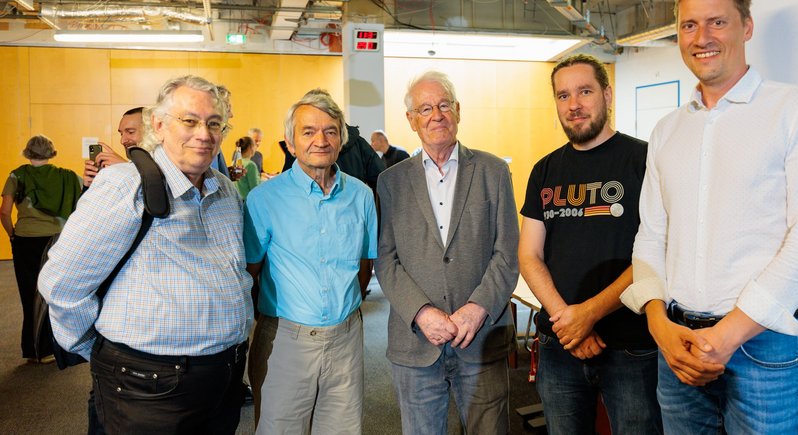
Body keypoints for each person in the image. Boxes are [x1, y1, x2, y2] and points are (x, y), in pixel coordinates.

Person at [619, 0, 798, 433]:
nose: (702, 38)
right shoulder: (667, 130)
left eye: (718, 22)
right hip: (676, 344)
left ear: (747, 27)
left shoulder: (797, 111)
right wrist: (658, 324)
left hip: (763, 348)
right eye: (689, 25)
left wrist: (726, 338)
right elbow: (651, 236)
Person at [39, 75, 253, 433]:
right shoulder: (126, 186)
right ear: (159, 125)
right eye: (189, 121)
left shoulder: (225, 190)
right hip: (149, 387)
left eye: (214, 123)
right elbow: (62, 284)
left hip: (224, 376)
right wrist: (98, 350)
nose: (204, 133)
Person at [518, 54, 662, 434]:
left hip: (631, 345)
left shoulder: (645, 160)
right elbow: (528, 255)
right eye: (563, 96)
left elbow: (654, 253)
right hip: (559, 346)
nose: (575, 104)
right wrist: (569, 322)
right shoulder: (544, 169)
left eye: (585, 91)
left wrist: (589, 315)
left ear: (607, 95)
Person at [375, 70, 519, 435]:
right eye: (425, 108)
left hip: (481, 338)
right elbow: (386, 261)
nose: (436, 115)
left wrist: (476, 309)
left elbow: (507, 252)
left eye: (443, 105)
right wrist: (422, 313)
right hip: (416, 342)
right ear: (411, 120)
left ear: (457, 110)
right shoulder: (391, 181)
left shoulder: (493, 171)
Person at [244, 89, 377, 433]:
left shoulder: (361, 195)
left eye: (330, 131)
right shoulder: (263, 199)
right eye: (308, 131)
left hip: (346, 338)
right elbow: (250, 271)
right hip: (285, 339)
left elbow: (365, 263)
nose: (321, 140)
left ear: (341, 140)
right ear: (290, 143)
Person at [1, 135, 81, 364]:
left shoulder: (17, 175)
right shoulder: (66, 176)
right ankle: (61, 347)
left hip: (26, 240)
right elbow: (86, 199)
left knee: (29, 294)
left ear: (27, 153)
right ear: (51, 153)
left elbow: (4, 211)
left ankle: (35, 351)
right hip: (57, 240)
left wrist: (12, 234)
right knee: (56, 293)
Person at [82, 107, 144, 188]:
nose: (122, 141)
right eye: (121, 134)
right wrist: (90, 186)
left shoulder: (162, 163)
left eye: (130, 132)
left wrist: (125, 168)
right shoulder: (118, 171)